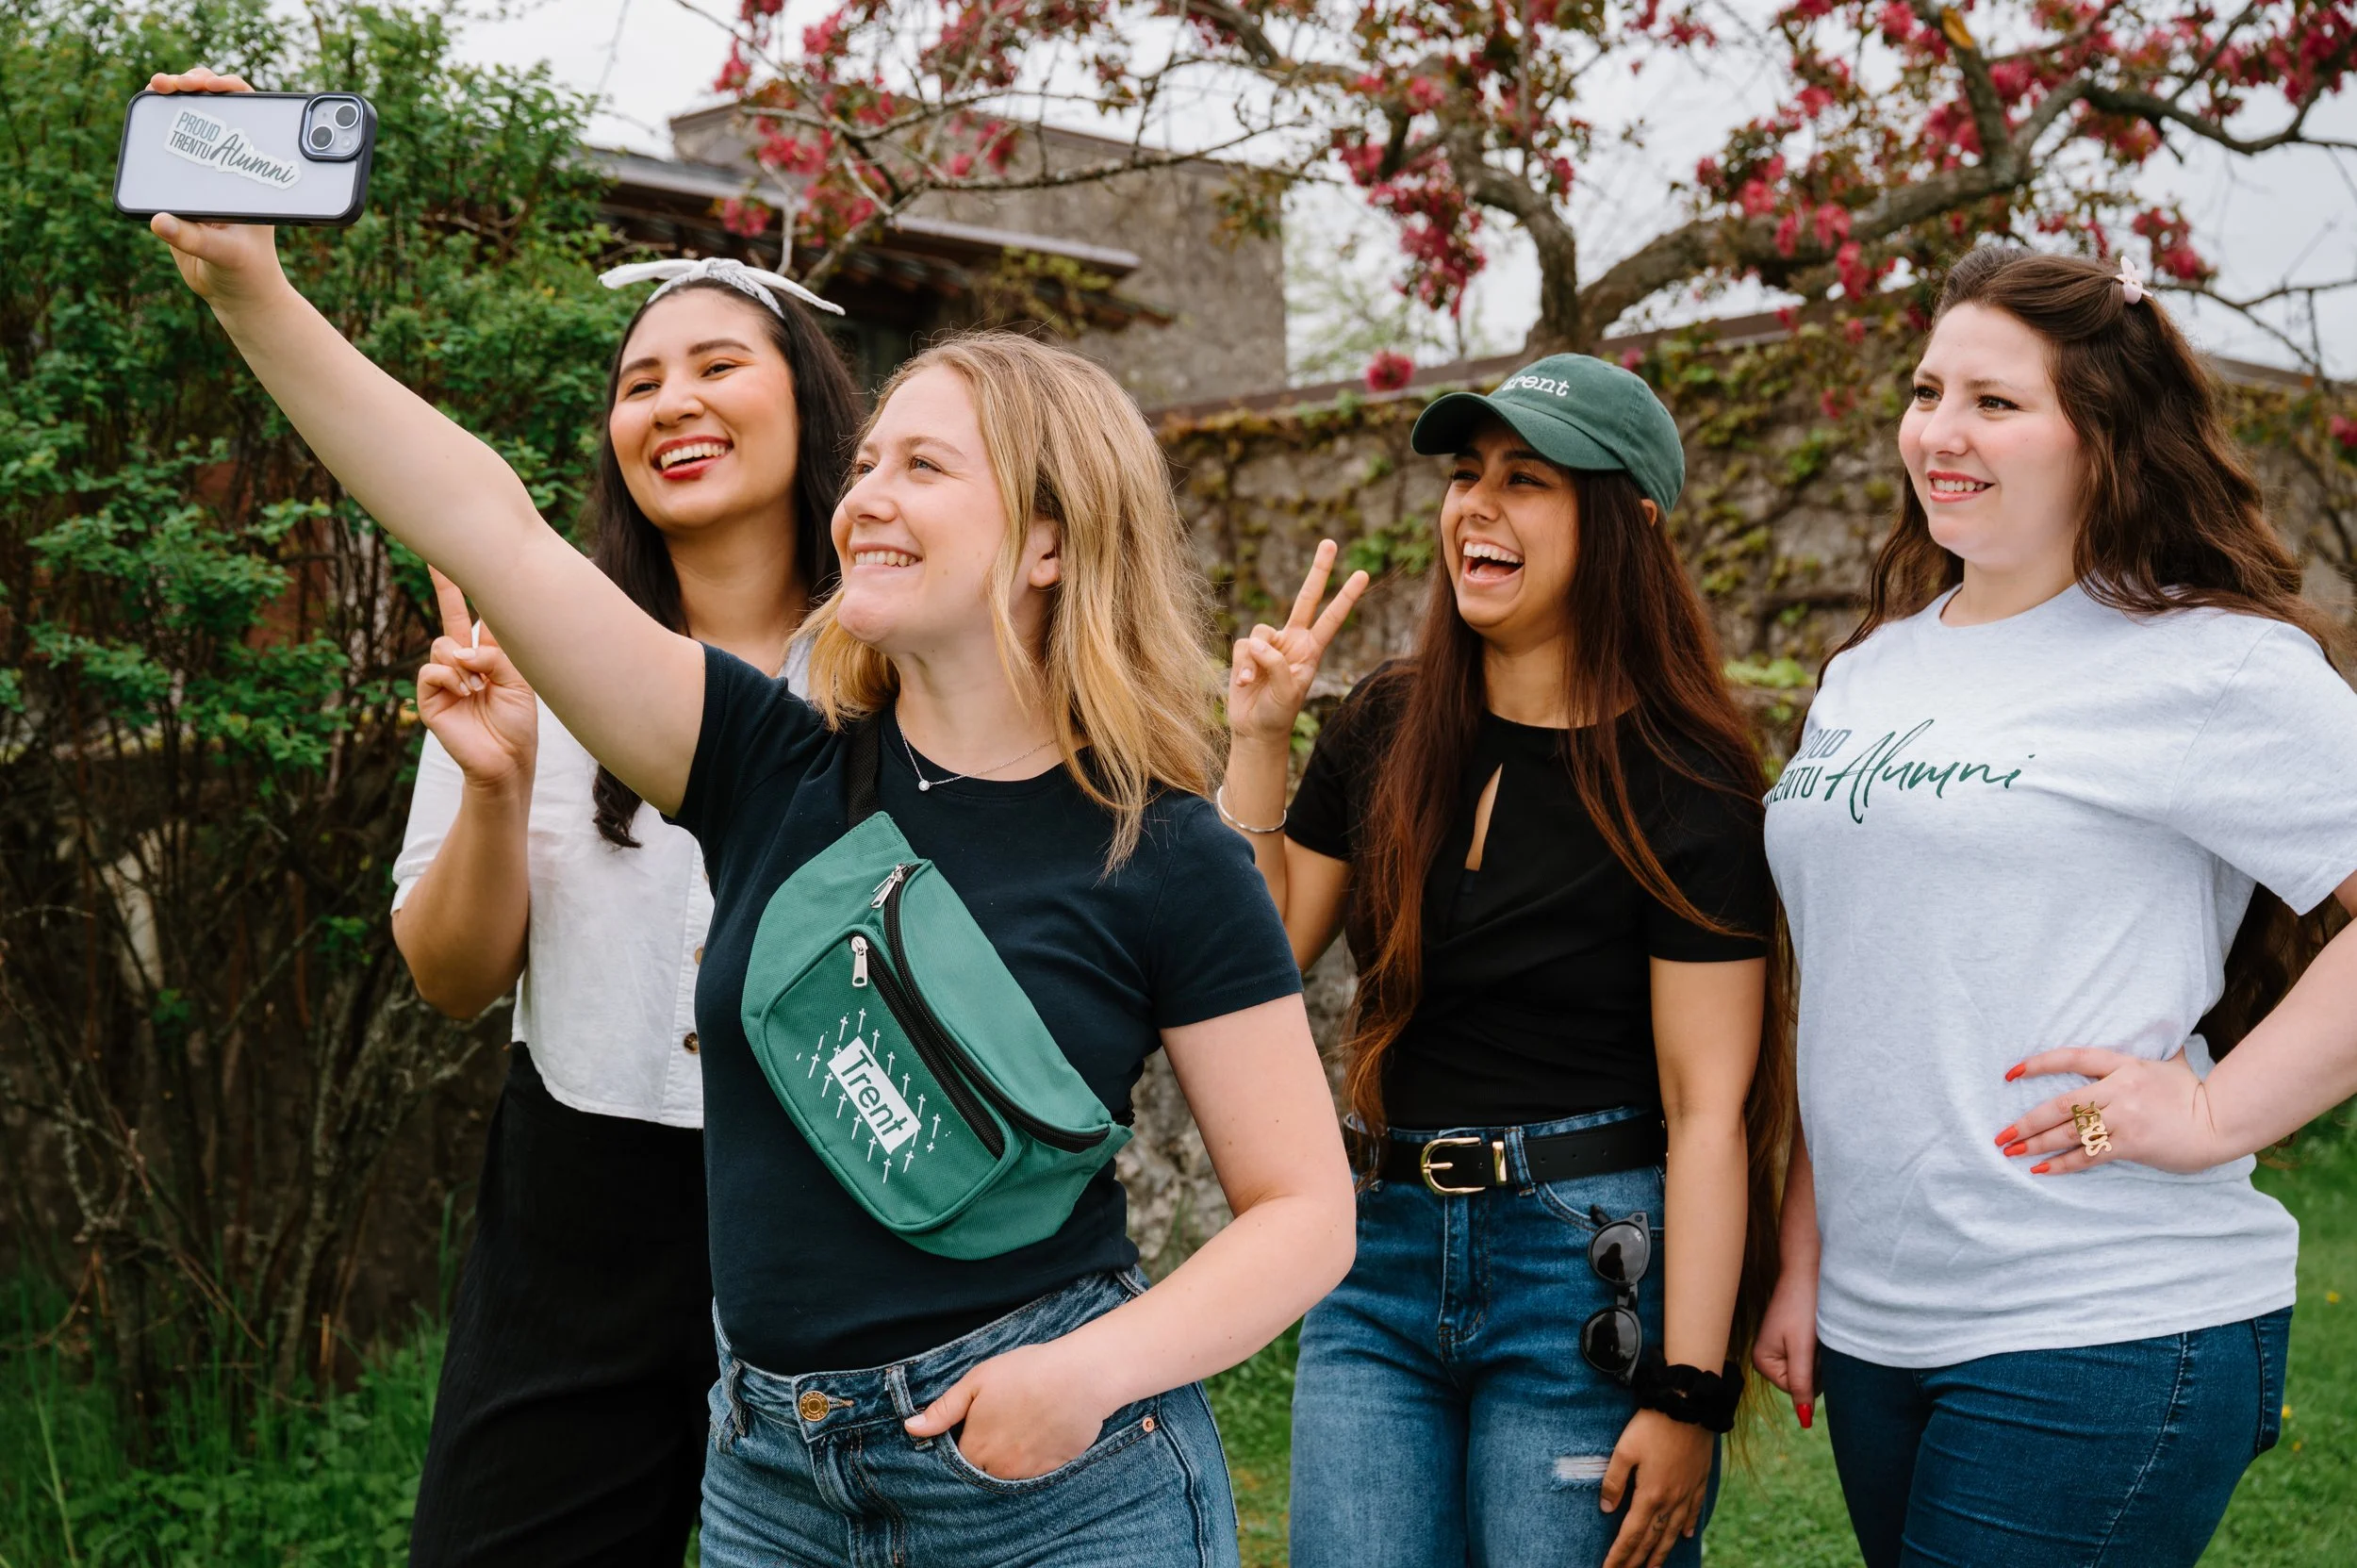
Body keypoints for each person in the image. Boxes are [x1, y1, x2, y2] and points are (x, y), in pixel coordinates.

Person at [147, 66, 1353, 1568]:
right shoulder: (769, 764)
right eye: (867, 464)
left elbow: (1303, 1209)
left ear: (1049, 539)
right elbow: (483, 520)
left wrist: (1088, 1373)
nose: (864, 497)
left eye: (924, 467)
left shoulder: (1161, 849)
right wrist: (252, 291)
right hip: (774, 1481)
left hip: (1053, 1480)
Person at [1750, 245, 2357, 1566]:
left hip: (2104, 1314)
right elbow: (1856, 986)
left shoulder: (2208, 663)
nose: (1940, 432)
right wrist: (1805, 1256)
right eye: (1927, 391)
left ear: (2104, 435)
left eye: (1995, 401)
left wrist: (2214, 1111)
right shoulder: (1870, 671)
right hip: (1878, 1321)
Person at [1220, 355, 1789, 1568]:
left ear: (1627, 524)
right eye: (1465, 473)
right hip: (1372, 1258)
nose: (1476, 504)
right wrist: (1260, 740)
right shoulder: (1386, 722)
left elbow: (1706, 1111)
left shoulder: (1684, 780)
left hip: (1581, 1266)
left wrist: (1690, 1391)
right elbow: (1261, 956)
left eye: (1526, 479)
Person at [389, 245, 863, 1564]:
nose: (673, 403)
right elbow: (451, 977)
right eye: (640, 383)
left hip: (844, 1199)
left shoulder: (903, 657)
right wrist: (498, 784)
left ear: (807, 400)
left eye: (718, 366)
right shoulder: (528, 649)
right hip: (579, 1205)